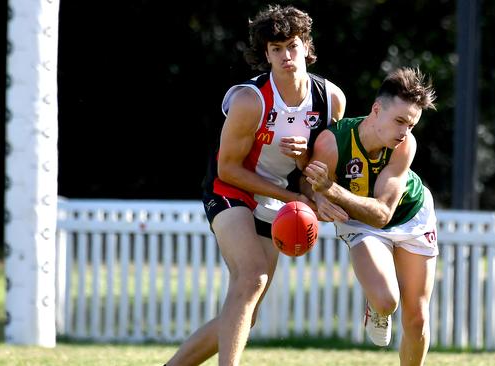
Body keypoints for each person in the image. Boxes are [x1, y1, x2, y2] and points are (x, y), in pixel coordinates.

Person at [165, 4, 345, 366]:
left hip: (279, 194)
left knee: (248, 310)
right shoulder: (250, 100)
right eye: (275, 49)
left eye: (292, 46)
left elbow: (323, 173)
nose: (286, 56)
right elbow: (228, 169)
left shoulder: (330, 100)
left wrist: (303, 168)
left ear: (306, 47)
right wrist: (294, 197)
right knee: (251, 277)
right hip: (231, 189)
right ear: (266, 54)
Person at [303, 67, 437, 366]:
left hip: (411, 215)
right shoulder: (332, 142)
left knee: (416, 319)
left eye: (411, 125)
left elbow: (382, 212)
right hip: (359, 220)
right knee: (387, 301)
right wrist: (318, 196)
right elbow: (306, 181)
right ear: (376, 110)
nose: (404, 132)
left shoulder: (405, 145)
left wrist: (331, 191)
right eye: (400, 121)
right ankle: (377, 308)